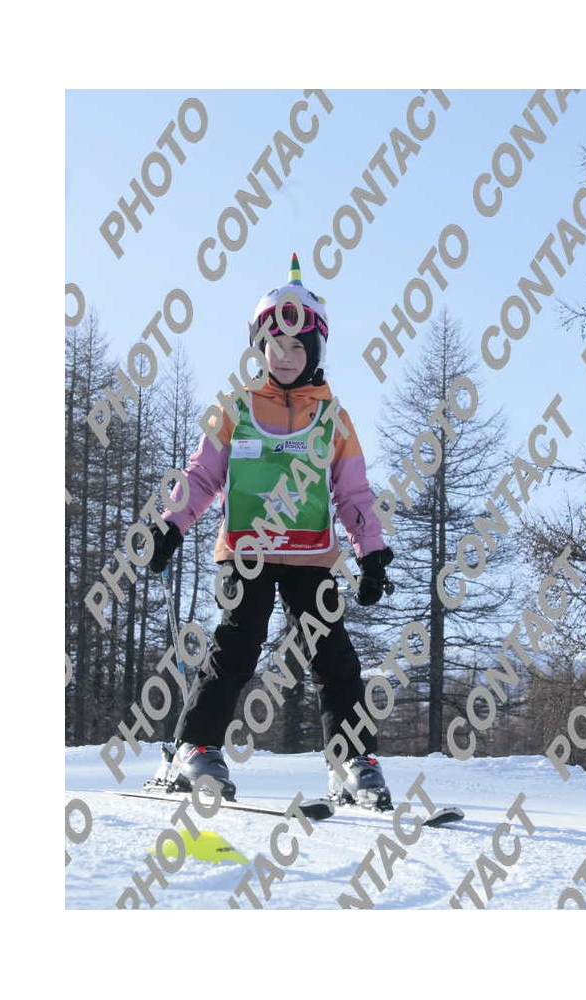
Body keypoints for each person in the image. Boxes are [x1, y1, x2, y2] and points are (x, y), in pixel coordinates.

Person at [147, 253, 395, 808]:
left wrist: (371, 553)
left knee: (334, 657)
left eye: (296, 348)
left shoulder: (333, 417)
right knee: (236, 647)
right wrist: (171, 525)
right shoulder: (235, 408)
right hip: (246, 552)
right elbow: (202, 476)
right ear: (259, 347)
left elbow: (353, 493)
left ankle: (353, 760)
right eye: (274, 346)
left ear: (316, 352)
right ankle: (196, 747)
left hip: (311, 555)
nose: (284, 357)